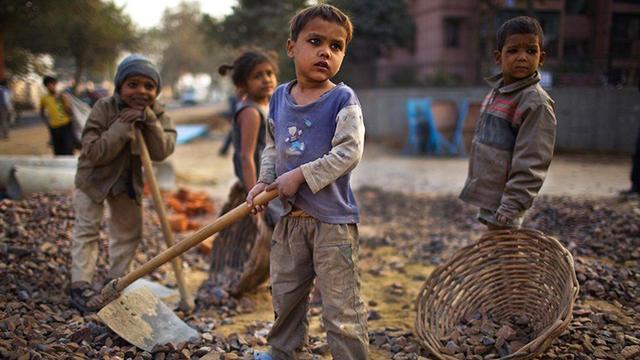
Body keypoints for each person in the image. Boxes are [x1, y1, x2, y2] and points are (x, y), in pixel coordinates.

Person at [247, 4, 368, 359]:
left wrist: (301, 175)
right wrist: (265, 181)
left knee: (341, 305)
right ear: (291, 47)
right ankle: (283, 352)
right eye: (315, 41)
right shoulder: (280, 98)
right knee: (286, 295)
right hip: (290, 221)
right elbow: (273, 146)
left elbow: (349, 153)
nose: (325, 52)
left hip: (332, 222)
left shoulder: (342, 100)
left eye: (336, 46)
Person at [69, 55, 176, 312]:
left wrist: (148, 120)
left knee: (129, 231)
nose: (141, 91)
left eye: (149, 87)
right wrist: (121, 126)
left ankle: (116, 282)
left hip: (127, 182)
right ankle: (80, 285)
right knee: (87, 229)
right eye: (133, 84)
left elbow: (162, 150)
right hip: (93, 179)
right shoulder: (104, 108)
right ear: (120, 86)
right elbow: (93, 152)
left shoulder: (158, 113)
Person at [459, 16, 557, 230]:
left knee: (507, 252)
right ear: (498, 57)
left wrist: (512, 204)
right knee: (498, 251)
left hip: (507, 201)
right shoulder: (499, 93)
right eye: (513, 51)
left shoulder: (535, 103)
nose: (522, 57)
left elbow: (532, 160)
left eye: (531, 51)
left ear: (541, 58)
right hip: (492, 196)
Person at [206, 50, 279, 295]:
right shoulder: (250, 111)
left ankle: (277, 275)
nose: (267, 79)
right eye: (258, 76)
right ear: (243, 84)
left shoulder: (267, 105)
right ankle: (242, 276)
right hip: (258, 185)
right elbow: (245, 156)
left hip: (272, 183)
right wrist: (253, 195)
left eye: (269, 73)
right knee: (266, 231)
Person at [40, 76, 75, 155]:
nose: (51, 86)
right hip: (54, 127)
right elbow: (41, 112)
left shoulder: (62, 96)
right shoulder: (44, 98)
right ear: (46, 86)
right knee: (57, 150)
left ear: (55, 85)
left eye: (53, 84)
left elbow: (70, 112)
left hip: (66, 125)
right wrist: (47, 123)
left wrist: (65, 103)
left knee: (68, 149)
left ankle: (69, 165)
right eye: (49, 85)